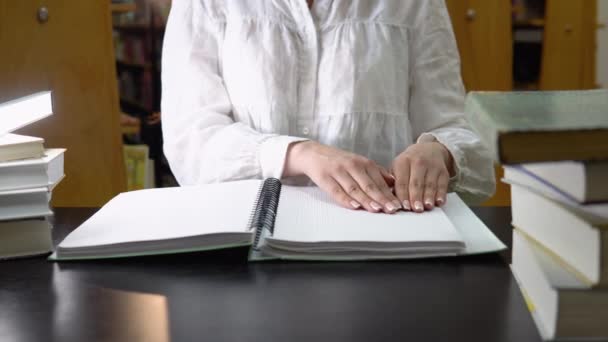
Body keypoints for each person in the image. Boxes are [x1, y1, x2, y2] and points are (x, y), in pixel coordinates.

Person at [161, 0, 496, 214]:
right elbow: (190, 141)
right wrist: (298, 154)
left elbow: (456, 130)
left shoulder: (415, 5)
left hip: (386, 240)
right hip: (244, 246)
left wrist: (440, 153)